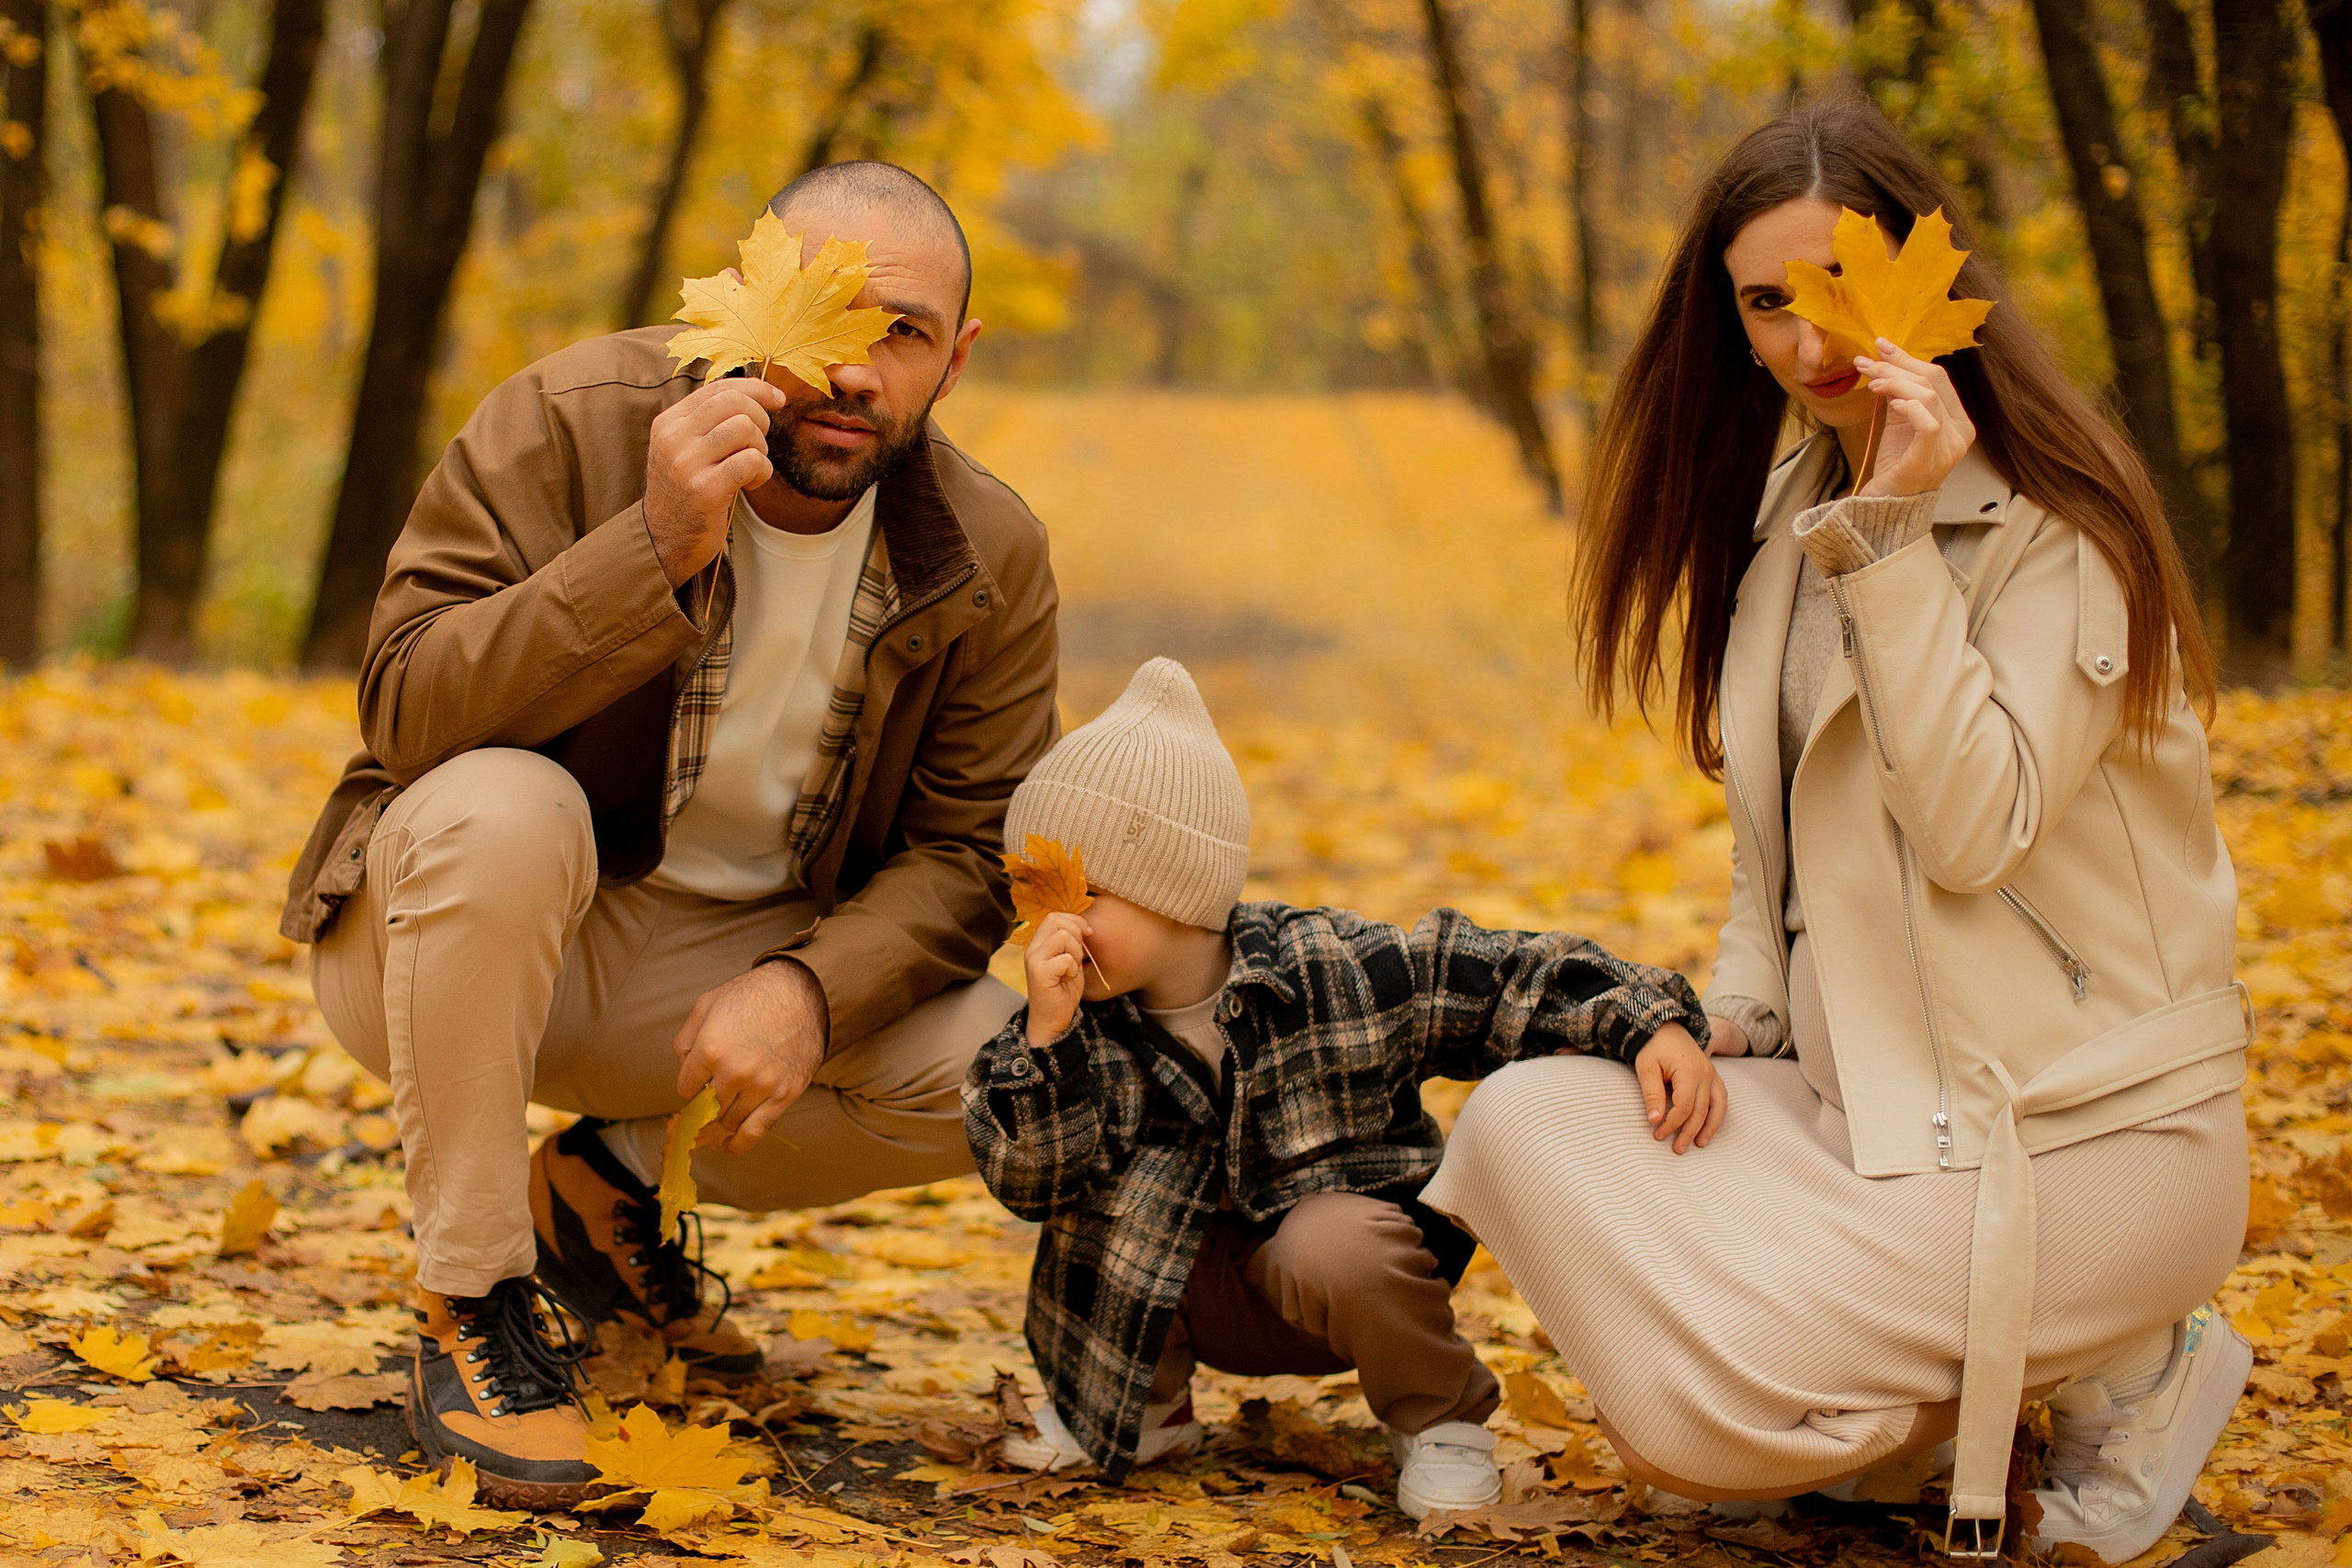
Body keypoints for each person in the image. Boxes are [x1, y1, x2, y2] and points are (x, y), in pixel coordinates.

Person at [1422, 101, 2251, 1565]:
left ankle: (2126, 1349)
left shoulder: (2066, 530)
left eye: (1845, 291)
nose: (1812, 344)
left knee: (1692, 1430)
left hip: (2083, 1134)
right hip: (1867, 1108)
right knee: (1520, 1119)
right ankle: (1946, 1406)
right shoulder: (1789, 506)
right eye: (1766, 301)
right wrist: (1736, 1011)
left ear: (1937, 285)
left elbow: (1975, 830)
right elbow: (1776, 845)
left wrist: (1899, 535)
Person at [280, 162, 1059, 1506]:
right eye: (822, 312)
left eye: (904, 333)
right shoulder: (572, 418)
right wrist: (649, 544)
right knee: (505, 804)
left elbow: (963, 854)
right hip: (450, 930)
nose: (854, 370)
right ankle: (471, 1294)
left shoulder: (989, 552)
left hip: (716, 982)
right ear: (749, 292)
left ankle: (603, 1178)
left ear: (958, 359)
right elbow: (405, 708)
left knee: (1021, 1071)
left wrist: (811, 990)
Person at [960, 658, 1724, 1517]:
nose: (1049, 924)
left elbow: (1502, 976)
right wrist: (1045, 1044)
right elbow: (1030, 1182)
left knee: (1330, 1239)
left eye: (1079, 891)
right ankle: (1141, 1406)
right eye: (1033, 893)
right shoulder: (1074, 1027)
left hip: (1350, 1287)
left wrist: (1642, 1018)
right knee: (1115, 1201)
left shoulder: (1331, 970)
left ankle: (1439, 1415)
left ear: (1170, 887)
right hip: (1182, 1292)